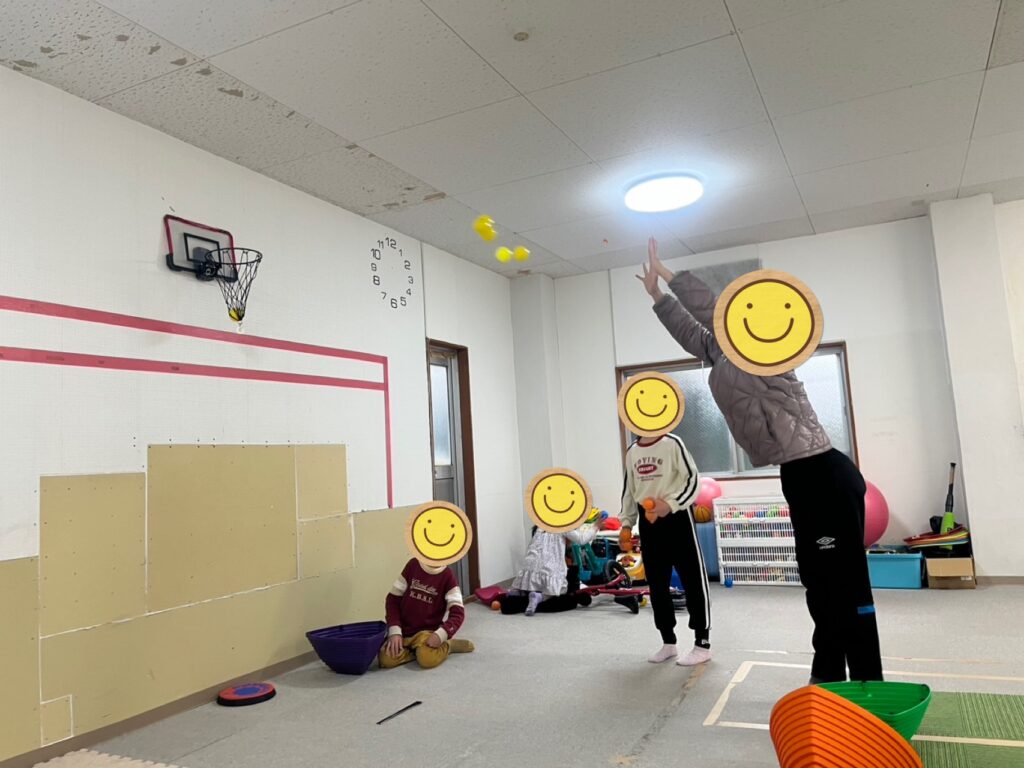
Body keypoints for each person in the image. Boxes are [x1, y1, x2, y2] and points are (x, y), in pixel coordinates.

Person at [637, 237, 882, 683]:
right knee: (818, 584)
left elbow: (713, 312)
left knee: (845, 585)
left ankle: (868, 682)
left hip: (823, 473)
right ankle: (828, 677)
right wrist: (656, 295)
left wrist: (670, 275)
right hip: (799, 474)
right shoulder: (722, 354)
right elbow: (692, 332)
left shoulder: (766, 355)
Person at [620, 428, 711, 666]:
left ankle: (702, 643)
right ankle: (668, 641)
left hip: (677, 517)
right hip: (648, 521)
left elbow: (693, 479)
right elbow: (629, 491)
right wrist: (626, 524)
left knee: (693, 579)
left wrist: (670, 504)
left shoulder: (673, 442)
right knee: (657, 584)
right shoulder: (632, 451)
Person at [380, 557, 474, 669]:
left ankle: (449, 645)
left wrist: (441, 635)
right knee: (386, 659)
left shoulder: (448, 576)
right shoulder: (413, 565)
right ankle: (416, 651)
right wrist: (394, 631)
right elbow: (392, 599)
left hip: (427, 634)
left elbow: (458, 613)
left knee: (426, 659)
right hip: (404, 631)